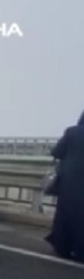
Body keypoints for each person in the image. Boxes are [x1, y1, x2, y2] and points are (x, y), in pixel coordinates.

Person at [46, 111, 84, 262]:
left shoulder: (72, 132)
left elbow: (57, 151)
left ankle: (63, 247)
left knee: (66, 212)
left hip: (70, 180)